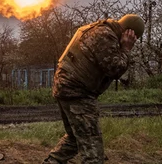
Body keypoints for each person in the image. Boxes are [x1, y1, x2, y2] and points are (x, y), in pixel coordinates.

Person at [42, 14, 144, 164]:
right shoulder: (105, 36)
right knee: (93, 152)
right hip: (77, 92)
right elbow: (115, 69)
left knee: (75, 139)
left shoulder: (97, 28)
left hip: (66, 87)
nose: (133, 41)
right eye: (134, 38)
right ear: (130, 33)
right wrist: (126, 49)